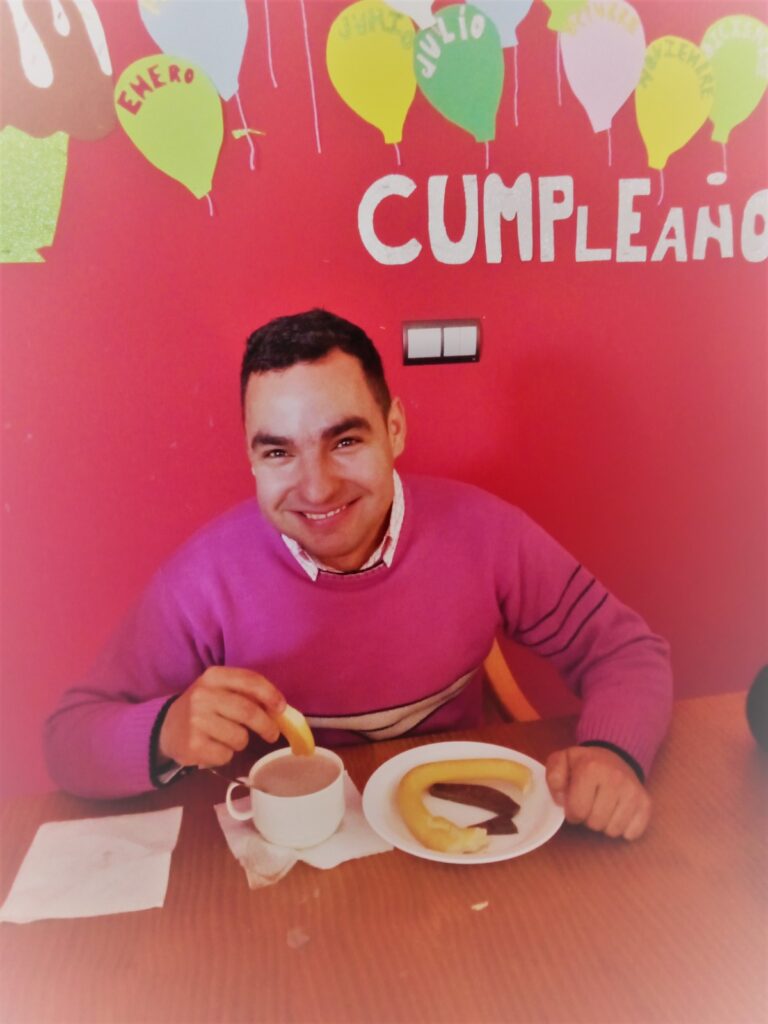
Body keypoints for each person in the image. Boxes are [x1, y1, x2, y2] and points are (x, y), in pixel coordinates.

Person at [45, 309, 673, 839]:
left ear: (394, 429)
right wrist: (164, 732)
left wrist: (613, 751)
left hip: (451, 832)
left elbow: (625, 650)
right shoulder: (203, 580)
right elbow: (68, 739)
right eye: (279, 451)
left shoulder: (486, 533)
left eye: (344, 442)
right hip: (286, 851)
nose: (317, 487)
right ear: (252, 458)